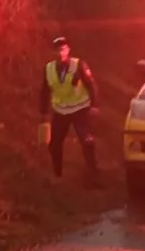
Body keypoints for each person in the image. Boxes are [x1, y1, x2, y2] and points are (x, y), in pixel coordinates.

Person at [39, 36, 100, 186]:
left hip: (80, 109)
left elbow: (91, 85)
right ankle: (58, 175)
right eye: (57, 50)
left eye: (63, 49)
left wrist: (95, 105)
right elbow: (45, 91)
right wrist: (44, 112)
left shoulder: (78, 65)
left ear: (68, 50)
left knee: (87, 142)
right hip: (60, 111)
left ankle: (93, 175)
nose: (60, 53)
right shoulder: (49, 68)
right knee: (54, 144)